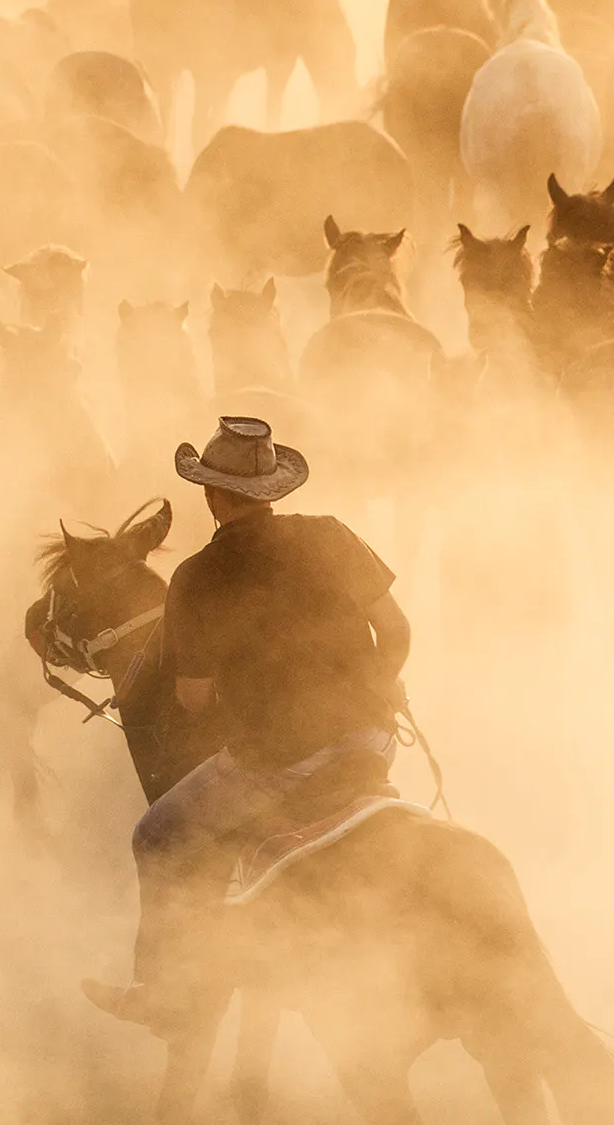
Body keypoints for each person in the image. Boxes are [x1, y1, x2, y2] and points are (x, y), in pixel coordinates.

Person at [84, 415, 410, 1031]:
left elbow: (195, 698)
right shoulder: (333, 535)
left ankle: (161, 989)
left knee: (155, 837)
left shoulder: (196, 578)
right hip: (374, 741)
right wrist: (375, 688)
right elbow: (396, 632)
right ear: (272, 490)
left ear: (210, 494)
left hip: (278, 760)